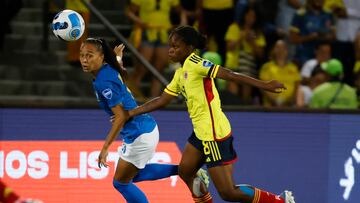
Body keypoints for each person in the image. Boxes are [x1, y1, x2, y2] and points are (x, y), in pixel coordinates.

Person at [128, 25, 296, 203]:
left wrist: (265, 85)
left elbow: (230, 75)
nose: (170, 50)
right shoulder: (180, 73)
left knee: (228, 192)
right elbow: (162, 100)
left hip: (213, 134)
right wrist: (132, 112)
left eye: (176, 46)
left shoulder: (197, 64)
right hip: (201, 132)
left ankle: (280, 201)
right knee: (186, 171)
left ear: (189, 48)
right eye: (170, 45)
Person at [79, 37, 208, 203]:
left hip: (139, 134)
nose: (84, 60)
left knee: (121, 183)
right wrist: (117, 58)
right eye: (82, 55)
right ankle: (187, 170)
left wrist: (105, 149)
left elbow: (121, 117)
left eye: (89, 55)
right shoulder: (108, 69)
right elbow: (118, 69)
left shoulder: (103, 82)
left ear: (102, 57)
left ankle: (187, 170)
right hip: (145, 129)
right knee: (135, 175)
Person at [259, 39, 301, 107]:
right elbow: (262, 86)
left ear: (287, 50)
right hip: (271, 106)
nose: (280, 50)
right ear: (273, 50)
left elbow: (297, 87)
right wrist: (274, 101)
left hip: (289, 106)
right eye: (278, 47)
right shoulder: (267, 67)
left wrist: (289, 101)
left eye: (283, 47)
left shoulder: (293, 68)